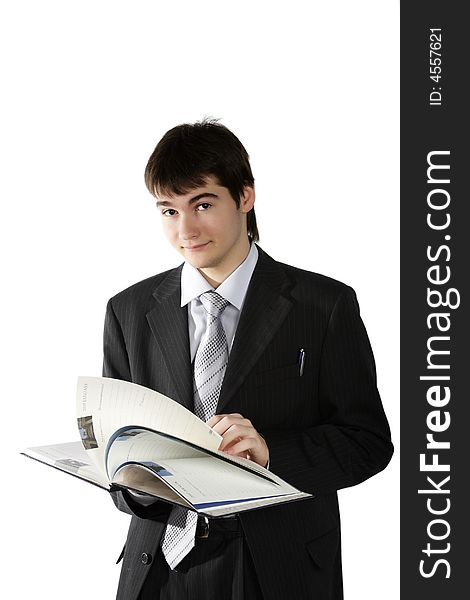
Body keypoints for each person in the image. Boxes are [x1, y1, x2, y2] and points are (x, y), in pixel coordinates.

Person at [103, 119, 393, 600]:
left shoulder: (323, 306)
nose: (185, 230)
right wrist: (132, 484)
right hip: (159, 569)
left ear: (245, 197)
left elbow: (368, 443)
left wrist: (271, 454)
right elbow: (117, 457)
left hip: (276, 567)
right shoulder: (128, 311)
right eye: (168, 210)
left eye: (202, 204)